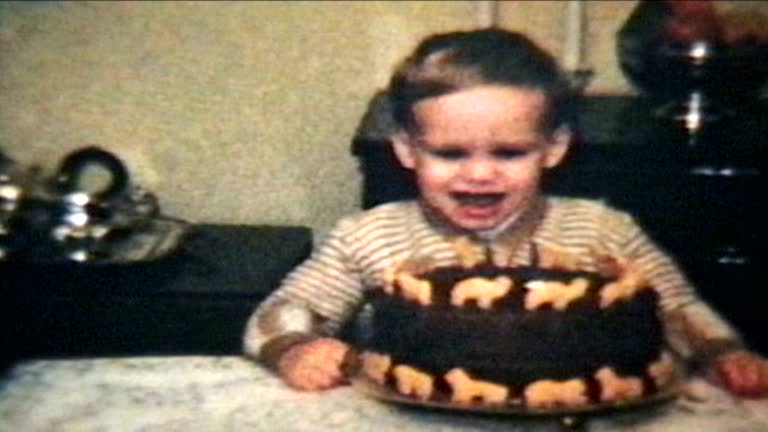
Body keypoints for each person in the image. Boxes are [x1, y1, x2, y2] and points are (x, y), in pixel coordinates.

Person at [243, 28, 768, 396]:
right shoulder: (368, 236)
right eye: (450, 154)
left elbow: (677, 310)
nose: (479, 175)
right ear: (406, 150)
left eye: (509, 153)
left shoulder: (604, 232)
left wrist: (722, 354)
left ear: (553, 148)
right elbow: (280, 314)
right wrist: (293, 349)